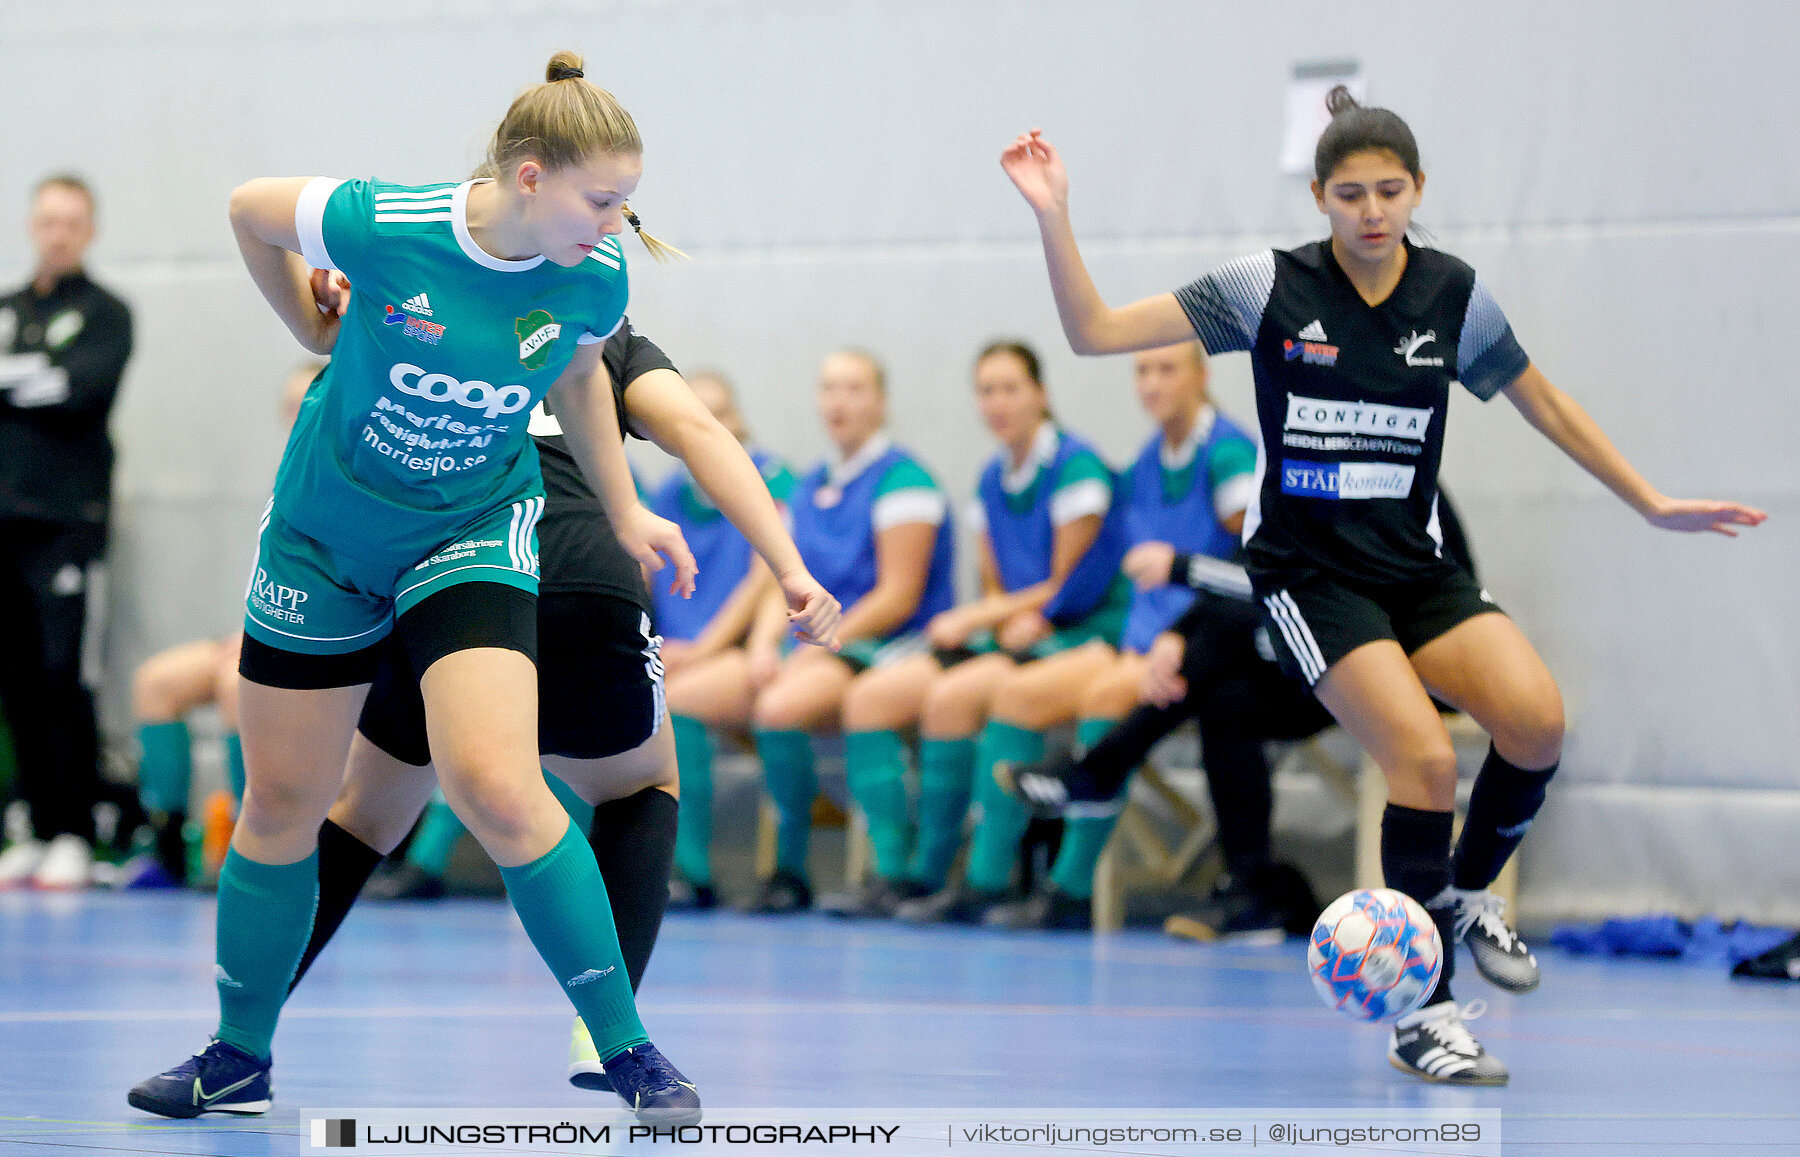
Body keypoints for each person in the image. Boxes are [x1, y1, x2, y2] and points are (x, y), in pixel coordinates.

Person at [1001, 88, 1764, 1086]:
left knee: (1536, 722)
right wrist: (1055, 215)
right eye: (1349, 192)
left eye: (1390, 191)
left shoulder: (1454, 295)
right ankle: (1425, 1011)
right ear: (1319, 196)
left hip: (1417, 564)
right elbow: (1095, 331)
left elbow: (1550, 405)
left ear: (1418, 192)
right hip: (1311, 577)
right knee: (1421, 760)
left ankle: (1464, 891)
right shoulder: (1264, 288)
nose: (1371, 210)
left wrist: (1649, 499)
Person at [125, 53, 751, 1124]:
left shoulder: (593, 274)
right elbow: (247, 209)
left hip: (471, 528)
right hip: (326, 534)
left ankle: (630, 1048)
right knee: (280, 802)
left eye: (624, 199)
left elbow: (581, 384)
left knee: (498, 784)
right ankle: (239, 1052)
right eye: (601, 197)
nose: (617, 219)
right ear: (530, 177)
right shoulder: (385, 222)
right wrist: (303, 320)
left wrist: (629, 506)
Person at [281, 312, 837, 1100]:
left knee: (365, 809)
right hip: (576, 568)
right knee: (642, 784)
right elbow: (699, 431)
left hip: (437, 582)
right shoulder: (599, 335)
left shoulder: (427, 313)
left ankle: (239, 1039)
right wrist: (790, 567)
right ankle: (606, 1032)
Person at [1000, 488, 1479, 941]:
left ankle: (1098, 774)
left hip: (1410, 668)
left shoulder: (1399, 483)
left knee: (1229, 634)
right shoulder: (1303, 477)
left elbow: (1330, 589)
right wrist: (1178, 633)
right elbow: (1259, 564)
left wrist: (1185, 571)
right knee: (1225, 699)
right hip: (1335, 660)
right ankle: (1253, 887)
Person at [961, 340, 1258, 931]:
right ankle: (985, 884)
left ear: (1202, 375)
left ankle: (1070, 891)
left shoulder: (1229, 453)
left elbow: (1257, 559)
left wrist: (1185, 628)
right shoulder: (1145, 462)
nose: (1151, 383)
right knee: (1016, 696)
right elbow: (1099, 564)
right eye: (1142, 370)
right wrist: (1050, 616)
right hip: (1135, 636)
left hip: (1200, 646)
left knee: (1102, 697)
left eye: (1166, 369)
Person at [839, 340, 1127, 921]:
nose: (997, 402)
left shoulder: (1077, 468)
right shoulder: (991, 478)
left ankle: (986, 878)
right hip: (1019, 631)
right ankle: (910, 875)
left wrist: (979, 617)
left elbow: (1065, 585)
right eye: (986, 390)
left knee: (966, 697)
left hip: (1086, 629)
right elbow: (1001, 587)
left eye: (1010, 388)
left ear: (1040, 394)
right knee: (871, 699)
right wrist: (994, 617)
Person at [674, 348, 953, 914]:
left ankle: (807, 869)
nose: (838, 401)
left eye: (853, 388)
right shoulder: (813, 484)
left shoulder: (905, 480)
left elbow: (897, 598)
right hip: (809, 640)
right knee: (677, 700)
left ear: (880, 400)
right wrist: (758, 644)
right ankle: (687, 872)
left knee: (778, 708)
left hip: (879, 644)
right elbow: (779, 578)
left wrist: (820, 641)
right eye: (829, 388)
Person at [128, 364, 319, 885]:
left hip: (334, 637)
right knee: (158, 682)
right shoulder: (292, 472)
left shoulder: (344, 479)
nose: (300, 416)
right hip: (270, 625)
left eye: (312, 403)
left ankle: (248, 838)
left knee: (239, 681)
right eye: (292, 406)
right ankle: (163, 845)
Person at [0, 174, 134, 890]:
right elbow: (38, 385)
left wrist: (20, 381)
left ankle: (77, 831)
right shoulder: (8, 309)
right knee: (16, 676)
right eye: (47, 219)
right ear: (31, 224)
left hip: (67, 528)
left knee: (64, 674)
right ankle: (36, 821)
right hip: (5, 527)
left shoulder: (107, 313)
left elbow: (77, 389)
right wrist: (30, 377)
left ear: (89, 229)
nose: (58, 232)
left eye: (72, 220)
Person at [647, 370, 796, 908]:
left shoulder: (770, 480)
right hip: (681, 649)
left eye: (720, 414)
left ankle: (690, 871)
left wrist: (705, 648)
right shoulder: (672, 491)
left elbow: (766, 578)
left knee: (673, 702)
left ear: (737, 421)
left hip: (749, 647)